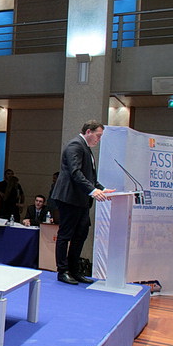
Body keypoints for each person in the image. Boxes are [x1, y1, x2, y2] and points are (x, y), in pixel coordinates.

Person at [51, 120, 114, 285]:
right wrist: (93, 191)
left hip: (81, 200)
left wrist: (101, 188)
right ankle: (62, 271)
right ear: (88, 131)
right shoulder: (76, 146)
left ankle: (74, 270)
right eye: (98, 136)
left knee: (81, 234)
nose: (98, 140)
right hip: (69, 198)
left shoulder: (85, 148)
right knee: (65, 235)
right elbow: (75, 172)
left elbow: (89, 177)